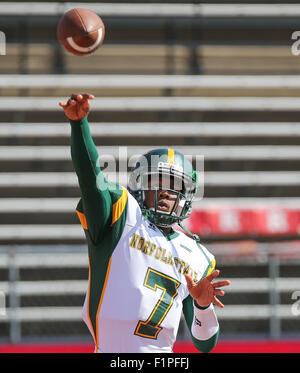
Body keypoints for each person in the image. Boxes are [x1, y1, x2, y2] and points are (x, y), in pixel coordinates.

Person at [59, 93, 230, 353]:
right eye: (155, 182)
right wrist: (79, 125)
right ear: (140, 186)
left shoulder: (198, 255)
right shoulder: (120, 214)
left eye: (173, 186)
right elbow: (89, 177)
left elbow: (205, 344)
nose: (164, 192)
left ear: (185, 196)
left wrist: (203, 307)